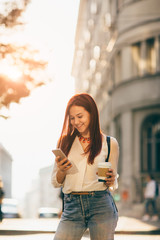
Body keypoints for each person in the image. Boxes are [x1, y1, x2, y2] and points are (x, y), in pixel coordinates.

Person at [51, 93, 119, 240]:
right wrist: (62, 170)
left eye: (80, 116)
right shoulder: (64, 142)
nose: (76, 121)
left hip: (101, 204)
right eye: (72, 118)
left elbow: (113, 183)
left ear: (92, 114)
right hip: (72, 206)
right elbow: (55, 182)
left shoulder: (109, 143)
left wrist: (111, 179)